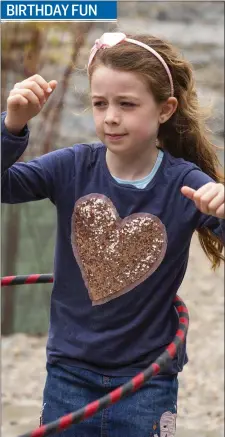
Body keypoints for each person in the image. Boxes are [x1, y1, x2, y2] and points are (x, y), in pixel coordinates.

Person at [1, 31, 224, 437]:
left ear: (165, 109)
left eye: (126, 104)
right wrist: (12, 125)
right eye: (100, 103)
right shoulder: (71, 167)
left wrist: (222, 211)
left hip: (148, 381)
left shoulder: (186, 184)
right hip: (68, 373)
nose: (110, 117)